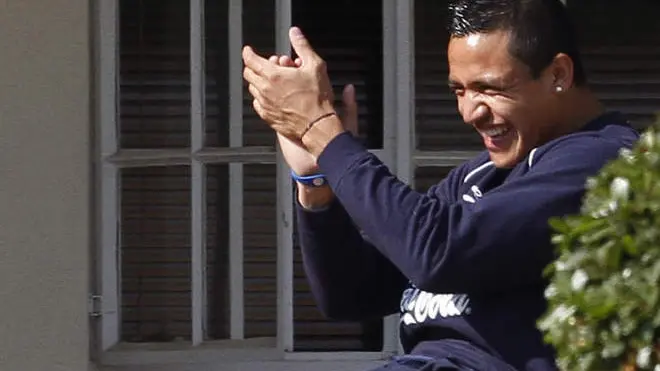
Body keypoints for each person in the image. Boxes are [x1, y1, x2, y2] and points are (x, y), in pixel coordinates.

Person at [242, 0, 639, 370]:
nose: (470, 112)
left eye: (490, 88)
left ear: (558, 75)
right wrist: (316, 181)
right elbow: (352, 293)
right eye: (459, 90)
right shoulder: (478, 175)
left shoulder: (604, 164)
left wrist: (322, 133)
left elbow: (438, 253)